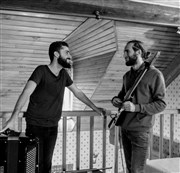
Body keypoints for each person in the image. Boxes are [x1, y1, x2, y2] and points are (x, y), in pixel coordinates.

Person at [1, 41, 106, 173]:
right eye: (67, 52)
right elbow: (26, 92)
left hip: (52, 126)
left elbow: (77, 92)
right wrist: (14, 116)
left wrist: (94, 108)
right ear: (56, 54)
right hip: (35, 125)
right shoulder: (41, 71)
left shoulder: (64, 74)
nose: (70, 56)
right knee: (32, 165)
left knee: (46, 165)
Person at [111, 40, 166, 173]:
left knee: (137, 170)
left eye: (127, 51)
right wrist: (116, 100)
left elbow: (161, 104)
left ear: (138, 52)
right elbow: (122, 95)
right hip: (125, 128)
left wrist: (136, 107)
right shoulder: (127, 76)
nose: (124, 55)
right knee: (130, 169)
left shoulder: (155, 74)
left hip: (140, 130)